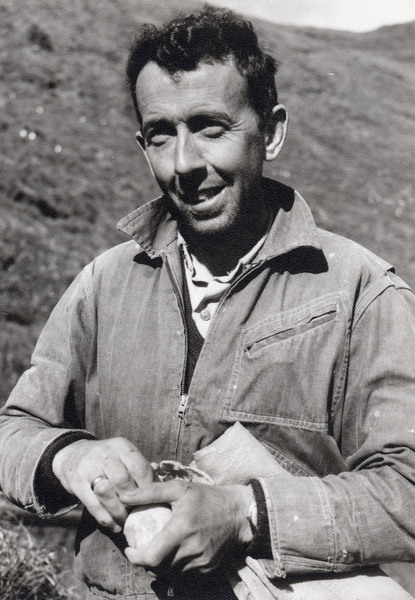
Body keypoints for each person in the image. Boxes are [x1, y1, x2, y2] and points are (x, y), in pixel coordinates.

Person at [1, 5, 415, 600]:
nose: (184, 164)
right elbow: (13, 432)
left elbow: (406, 490)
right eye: (161, 135)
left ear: (271, 132)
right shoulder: (104, 284)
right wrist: (68, 459)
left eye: (211, 128)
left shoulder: (361, 293)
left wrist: (248, 513)